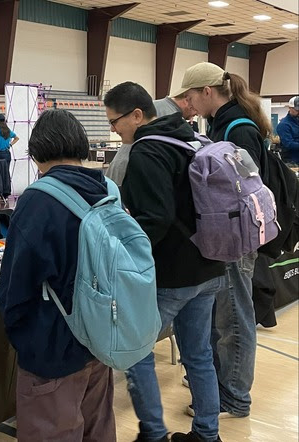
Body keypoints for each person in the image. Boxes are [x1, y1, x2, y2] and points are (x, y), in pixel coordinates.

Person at [105, 81, 226, 442]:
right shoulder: (191, 137)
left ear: (137, 115)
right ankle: (208, 433)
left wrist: (122, 256)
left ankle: (153, 434)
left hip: (173, 274)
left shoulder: (146, 151)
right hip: (210, 264)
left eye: (115, 122)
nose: (114, 130)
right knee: (199, 354)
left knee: (137, 353)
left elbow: (155, 218)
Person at [0, 109, 116, 441]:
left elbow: (14, 288)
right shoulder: (107, 189)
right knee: (97, 428)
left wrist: (24, 338)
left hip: (54, 346)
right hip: (100, 338)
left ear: (36, 153)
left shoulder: (39, 200)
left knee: (52, 430)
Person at [179, 61, 273, 421]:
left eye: (190, 96)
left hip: (236, 236)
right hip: (230, 234)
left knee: (234, 317)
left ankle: (234, 396)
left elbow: (243, 190)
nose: (188, 104)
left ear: (206, 92)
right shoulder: (225, 123)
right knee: (227, 314)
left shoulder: (237, 129)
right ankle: (223, 384)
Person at [276, 96, 299, 165]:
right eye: (297, 110)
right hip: (292, 161)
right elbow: (288, 144)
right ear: (290, 108)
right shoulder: (284, 125)